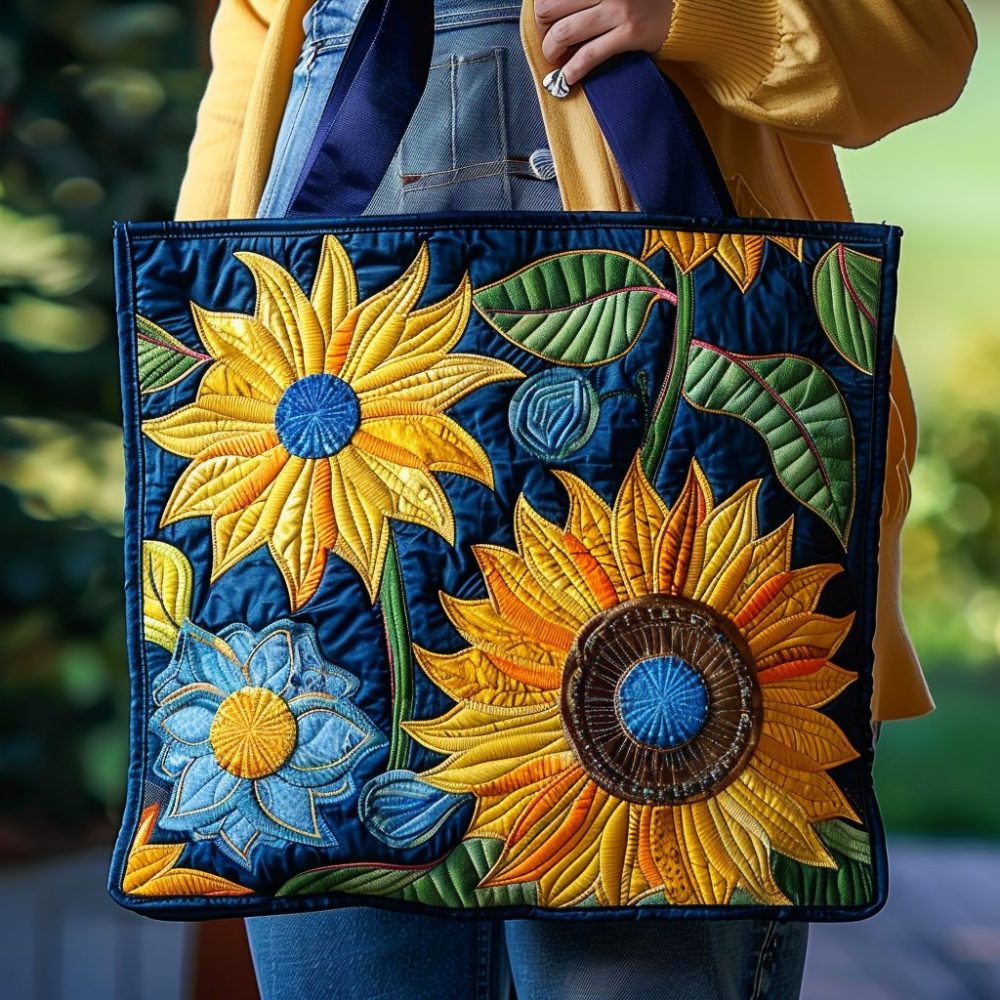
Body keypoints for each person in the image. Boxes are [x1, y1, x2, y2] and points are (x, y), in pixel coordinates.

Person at [175, 1, 976, 997]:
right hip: (326, 526)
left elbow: (918, 48)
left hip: (664, 510)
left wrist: (686, 16)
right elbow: (234, 142)